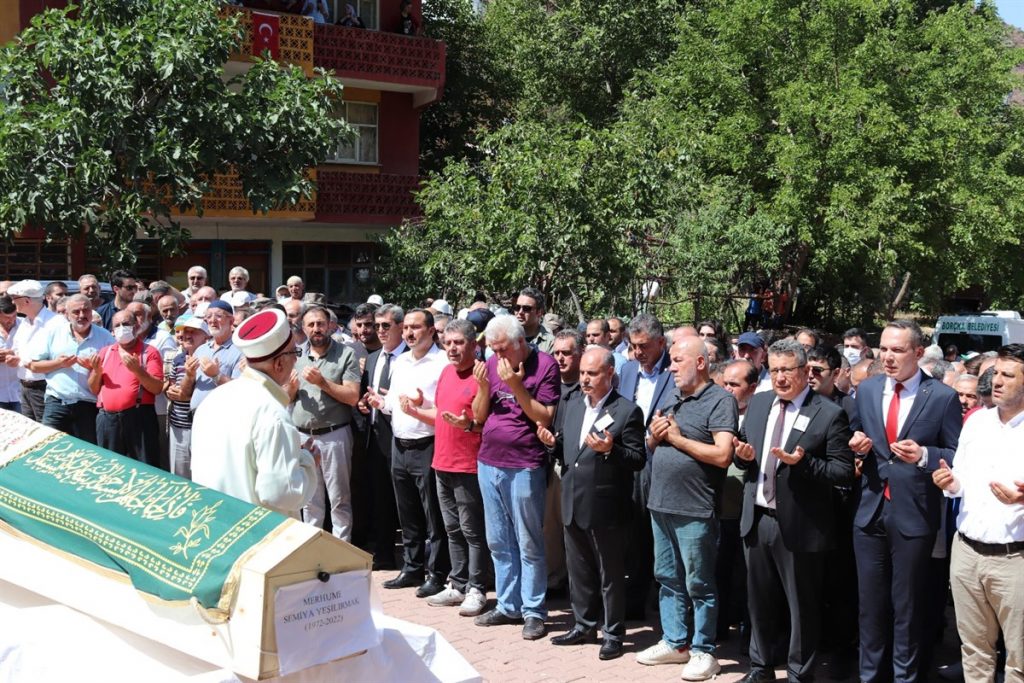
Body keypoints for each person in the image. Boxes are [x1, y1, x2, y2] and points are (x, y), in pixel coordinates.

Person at [732, 340, 855, 683]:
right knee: (758, 601)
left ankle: (800, 673)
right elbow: (745, 453)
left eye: (787, 370)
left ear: (805, 371)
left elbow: (843, 473)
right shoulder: (758, 404)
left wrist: (805, 464)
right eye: (774, 371)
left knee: (802, 607)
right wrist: (741, 456)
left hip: (801, 525)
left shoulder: (828, 413)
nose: (781, 378)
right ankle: (760, 668)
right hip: (757, 518)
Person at [849, 319, 962, 683]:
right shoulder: (867, 391)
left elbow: (956, 453)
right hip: (870, 511)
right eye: (884, 349)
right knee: (870, 609)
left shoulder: (942, 397)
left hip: (914, 514)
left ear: (917, 352)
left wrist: (925, 455)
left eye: (897, 350)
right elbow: (858, 435)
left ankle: (905, 678)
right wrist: (857, 444)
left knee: (907, 609)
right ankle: (870, 677)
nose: (888, 357)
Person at [636, 336, 736, 681]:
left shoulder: (720, 400)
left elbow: (723, 455)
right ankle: (675, 642)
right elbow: (653, 445)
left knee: (699, 583)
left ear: (701, 363)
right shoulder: (672, 395)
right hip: (660, 502)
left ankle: (704, 650)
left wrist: (676, 438)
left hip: (695, 507)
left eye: (678, 361)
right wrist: (654, 434)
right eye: (671, 361)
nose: (671, 367)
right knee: (667, 577)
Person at [539, 346, 645, 661]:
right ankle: (584, 624)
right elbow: (567, 452)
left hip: (606, 506)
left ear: (609, 373)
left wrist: (611, 449)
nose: (585, 379)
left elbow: (637, 459)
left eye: (592, 373)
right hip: (572, 500)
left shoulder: (627, 411)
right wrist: (552, 445)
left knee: (609, 574)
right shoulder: (571, 404)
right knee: (578, 569)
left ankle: (613, 633)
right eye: (583, 372)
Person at [931, 344, 1024, 683]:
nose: (996, 381)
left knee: (1020, 657)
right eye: (995, 373)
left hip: (1016, 561)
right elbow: (962, 480)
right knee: (974, 651)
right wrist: (949, 482)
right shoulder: (976, 422)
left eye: (1007, 375)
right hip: (967, 552)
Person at [471, 315, 559, 641]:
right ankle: (508, 605)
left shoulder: (545, 365)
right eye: (493, 349)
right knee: (498, 539)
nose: (498, 355)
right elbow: (479, 416)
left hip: (525, 464)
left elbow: (545, 415)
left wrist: (516, 386)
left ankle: (533, 611)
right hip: (489, 461)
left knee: (529, 541)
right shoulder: (491, 363)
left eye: (503, 348)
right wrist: (483, 386)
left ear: (521, 342)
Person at [191, 308, 319, 518]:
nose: (296, 361)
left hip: (212, 527)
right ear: (279, 363)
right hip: (255, 536)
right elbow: (281, 493)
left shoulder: (214, 398)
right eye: (295, 353)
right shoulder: (272, 412)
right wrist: (306, 462)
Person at [367, 309, 450, 597]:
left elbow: (443, 406)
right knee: (408, 515)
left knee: (433, 516)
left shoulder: (442, 363)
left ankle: (437, 573)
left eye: (416, 328)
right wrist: (379, 402)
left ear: (431, 331)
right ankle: (412, 568)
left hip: (428, 444)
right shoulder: (401, 361)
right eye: (407, 329)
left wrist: (420, 404)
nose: (410, 333)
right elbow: (393, 403)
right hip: (399, 444)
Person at [418, 319, 489, 616]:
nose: (452, 348)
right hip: (442, 462)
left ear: (474, 345)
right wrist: (416, 408)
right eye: (448, 343)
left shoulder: (481, 375)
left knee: (473, 531)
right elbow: (440, 415)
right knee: (452, 529)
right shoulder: (446, 372)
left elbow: (484, 421)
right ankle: (458, 584)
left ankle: (477, 588)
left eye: (458, 343)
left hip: (468, 465)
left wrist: (470, 422)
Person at [616, 313, 673, 620]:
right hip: (628, 462)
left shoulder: (673, 371)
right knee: (632, 534)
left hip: (660, 463)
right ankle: (634, 599)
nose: (638, 352)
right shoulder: (626, 370)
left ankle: (660, 595)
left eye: (644, 346)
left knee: (656, 534)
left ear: (660, 343)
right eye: (632, 346)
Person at [290, 305, 361, 541]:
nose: (316, 329)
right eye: (311, 324)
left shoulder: (346, 354)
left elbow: (352, 397)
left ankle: (341, 551)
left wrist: (322, 383)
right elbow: (288, 397)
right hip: (302, 437)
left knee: (339, 499)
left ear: (330, 325)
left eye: (320, 323)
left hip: (334, 436)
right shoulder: (296, 356)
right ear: (303, 328)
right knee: (309, 499)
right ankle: (310, 550)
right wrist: (289, 391)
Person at [27, 294, 114, 443]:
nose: (81, 315)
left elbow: (113, 371)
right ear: (67, 315)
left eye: (86, 310)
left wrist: (94, 369)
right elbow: (34, 366)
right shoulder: (53, 333)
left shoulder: (105, 337)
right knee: (48, 448)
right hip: (57, 403)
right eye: (76, 312)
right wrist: (59, 364)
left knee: (88, 453)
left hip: (88, 406)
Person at [358, 303, 407, 568]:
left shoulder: (411, 358)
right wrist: (364, 404)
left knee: (406, 503)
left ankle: (415, 561)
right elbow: (367, 396)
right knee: (379, 500)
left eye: (385, 326)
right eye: (377, 326)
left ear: (400, 326)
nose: (380, 331)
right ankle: (384, 555)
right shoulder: (375, 358)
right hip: (375, 438)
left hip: (403, 439)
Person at [86, 309, 163, 466]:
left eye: (126, 324)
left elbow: (157, 388)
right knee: (109, 466)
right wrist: (97, 372)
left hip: (139, 417)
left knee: (145, 466)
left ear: (136, 326)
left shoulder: (149, 352)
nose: (122, 328)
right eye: (117, 325)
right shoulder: (105, 352)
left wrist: (138, 371)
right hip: (108, 419)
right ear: (112, 331)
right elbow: (94, 389)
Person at [164, 315, 210, 479]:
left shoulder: (210, 360)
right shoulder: (178, 359)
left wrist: (184, 395)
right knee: (179, 476)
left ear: (206, 336)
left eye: (194, 332)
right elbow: (171, 385)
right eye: (186, 331)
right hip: (179, 426)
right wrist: (169, 391)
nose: (188, 335)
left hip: (202, 428)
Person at [6, 280, 55, 421]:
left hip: (44, 388)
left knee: (46, 432)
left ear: (26, 301)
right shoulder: (24, 323)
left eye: (15, 299)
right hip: (23, 387)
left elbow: (57, 357)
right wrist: (14, 358)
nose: (13, 303)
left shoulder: (54, 324)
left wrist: (22, 361)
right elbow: (18, 351)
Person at [189, 300, 244, 413]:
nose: (212, 320)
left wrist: (216, 375)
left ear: (231, 321)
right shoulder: (201, 349)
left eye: (218, 316)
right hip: (196, 417)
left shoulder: (241, 350)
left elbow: (240, 389)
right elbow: (188, 390)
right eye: (209, 316)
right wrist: (188, 376)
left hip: (221, 417)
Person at [513, 286, 555, 354]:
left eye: (526, 308)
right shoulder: (506, 337)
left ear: (539, 312)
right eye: (517, 307)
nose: (520, 312)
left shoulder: (550, 343)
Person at [0, 296, 22, 412]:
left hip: (20, 392)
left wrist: (14, 353)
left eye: (14, 316)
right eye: (7, 318)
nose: (12, 320)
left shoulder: (25, 325)